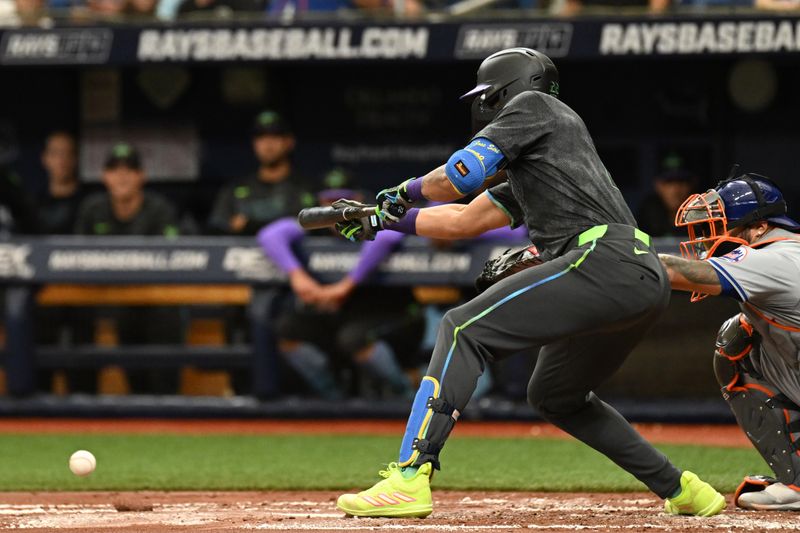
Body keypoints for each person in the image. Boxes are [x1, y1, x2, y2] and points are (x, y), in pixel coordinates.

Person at [332, 47, 724, 519]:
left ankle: (410, 475)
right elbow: (461, 220)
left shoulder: (536, 107)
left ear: (504, 92)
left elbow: (460, 176)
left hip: (603, 260)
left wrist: (403, 191)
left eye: (486, 98)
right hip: (639, 277)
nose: (484, 108)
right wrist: (380, 219)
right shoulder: (543, 158)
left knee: (461, 328)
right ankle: (683, 489)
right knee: (555, 395)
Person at [659, 171, 800, 511]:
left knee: (734, 338)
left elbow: (671, 272)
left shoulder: (774, 258)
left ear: (761, 227)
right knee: (742, 333)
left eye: (725, 225)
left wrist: (602, 256)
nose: (713, 236)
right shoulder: (787, 251)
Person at [258, 172, 424, 399]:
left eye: (341, 200)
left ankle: (406, 393)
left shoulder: (374, 216)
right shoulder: (315, 226)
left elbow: (388, 237)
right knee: (287, 328)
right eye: (328, 201)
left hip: (389, 311)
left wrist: (346, 285)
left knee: (352, 338)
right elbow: (271, 234)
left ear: (356, 198)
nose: (334, 208)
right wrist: (298, 276)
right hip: (341, 312)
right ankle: (333, 398)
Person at [74, 142, 182, 393]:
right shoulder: (92, 209)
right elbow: (75, 256)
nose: (122, 176)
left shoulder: (159, 208)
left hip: (157, 303)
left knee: (163, 380)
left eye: (129, 170)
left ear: (141, 176)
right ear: (105, 176)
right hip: (113, 302)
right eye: (114, 169)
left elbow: (175, 256)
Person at [207, 110, 314, 235]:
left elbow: (312, 228)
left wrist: (249, 225)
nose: (268, 143)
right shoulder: (233, 190)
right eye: (261, 137)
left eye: (275, 136)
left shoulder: (307, 188)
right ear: (253, 143)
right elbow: (216, 230)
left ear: (289, 142)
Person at [37, 131, 85, 235]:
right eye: (55, 153)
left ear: (76, 158)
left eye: (68, 153)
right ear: (45, 158)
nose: (62, 160)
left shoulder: (89, 202)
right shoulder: (34, 203)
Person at [636, 158, 697, 238]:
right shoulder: (646, 216)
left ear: (692, 185)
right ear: (658, 185)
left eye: (682, 182)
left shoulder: (701, 217)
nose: (676, 190)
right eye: (669, 182)